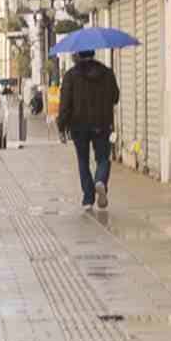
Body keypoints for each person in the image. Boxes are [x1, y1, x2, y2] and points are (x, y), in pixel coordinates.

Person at [56, 42, 123, 213]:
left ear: (78, 55)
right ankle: (100, 180)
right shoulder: (107, 73)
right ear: (93, 53)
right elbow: (115, 97)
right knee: (102, 158)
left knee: (83, 160)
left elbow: (65, 104)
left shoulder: (71, 75)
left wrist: (61, 126)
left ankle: (88, 198)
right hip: (102, 123)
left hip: (78, 125)